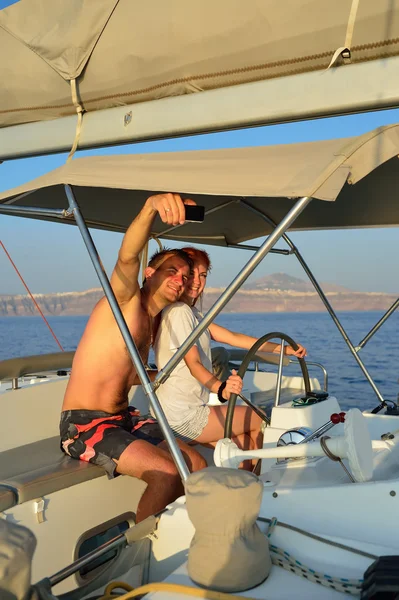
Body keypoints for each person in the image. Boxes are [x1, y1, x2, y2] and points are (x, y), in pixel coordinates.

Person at [60, 195, 207, 523]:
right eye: (172, 271)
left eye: (184, 277)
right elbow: (127, 256)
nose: (180, 281)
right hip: (85, 423)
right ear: (150, 272)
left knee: (196, 465)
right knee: (168, 472)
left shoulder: (156, 321)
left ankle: (181, 535)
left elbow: (130, 372)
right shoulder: (125, 302)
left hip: (125, 417)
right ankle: (143, 551)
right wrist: (151, 207)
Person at [154, 247, 307, 466]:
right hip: (181, 417)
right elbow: (193, 364)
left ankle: (247, 487)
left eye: (203, 275)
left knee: (244, 443)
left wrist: (283, 349)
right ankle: (256, 486)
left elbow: (232, 337)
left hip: (187, 410)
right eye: (191, 274)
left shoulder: (192, 313)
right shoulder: (179, 311)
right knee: (259, 419)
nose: (197, 281)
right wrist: (222, 388)